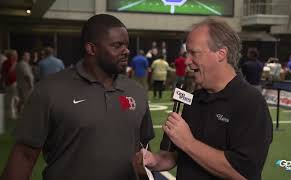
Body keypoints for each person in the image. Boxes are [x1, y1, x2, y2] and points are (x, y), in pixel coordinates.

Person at [1, 14, 154, 180]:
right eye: (117, 45)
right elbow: (24, 155)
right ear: (91, 49)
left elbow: (144, 149)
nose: (126, 51)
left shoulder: (136, 91)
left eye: (126, 45)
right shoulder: (50, 90)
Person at [141, 18, 273, 180]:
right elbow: (175, 155)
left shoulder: (251, 102)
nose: (187, 61)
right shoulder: (195, 98)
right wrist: (153, 160)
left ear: (221, 54)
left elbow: (243, 173)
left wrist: (189, 143)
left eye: (193, 53)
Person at [1, 49, 19, 119]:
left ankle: (12, 114)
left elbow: (3, 73)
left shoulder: (6, 63)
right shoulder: (10, 63)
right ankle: (12, 115)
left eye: (16, 55)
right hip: (12, 83)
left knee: (13, 99)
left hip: (11, 83)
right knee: (12, 100)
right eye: (15, 55)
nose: (16, 56)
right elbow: (5, 73)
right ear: (11, 56)